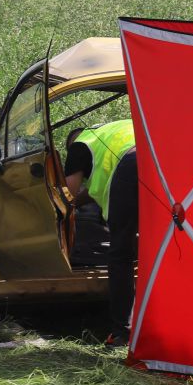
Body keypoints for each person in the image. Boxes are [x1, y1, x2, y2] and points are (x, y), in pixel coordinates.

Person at [64, 120, 138, 342]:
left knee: (120, 257)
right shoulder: (118, 129)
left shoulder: (80, 144)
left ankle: (121, 333)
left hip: (131, 168)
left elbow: (69, 194)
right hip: (163, 159)